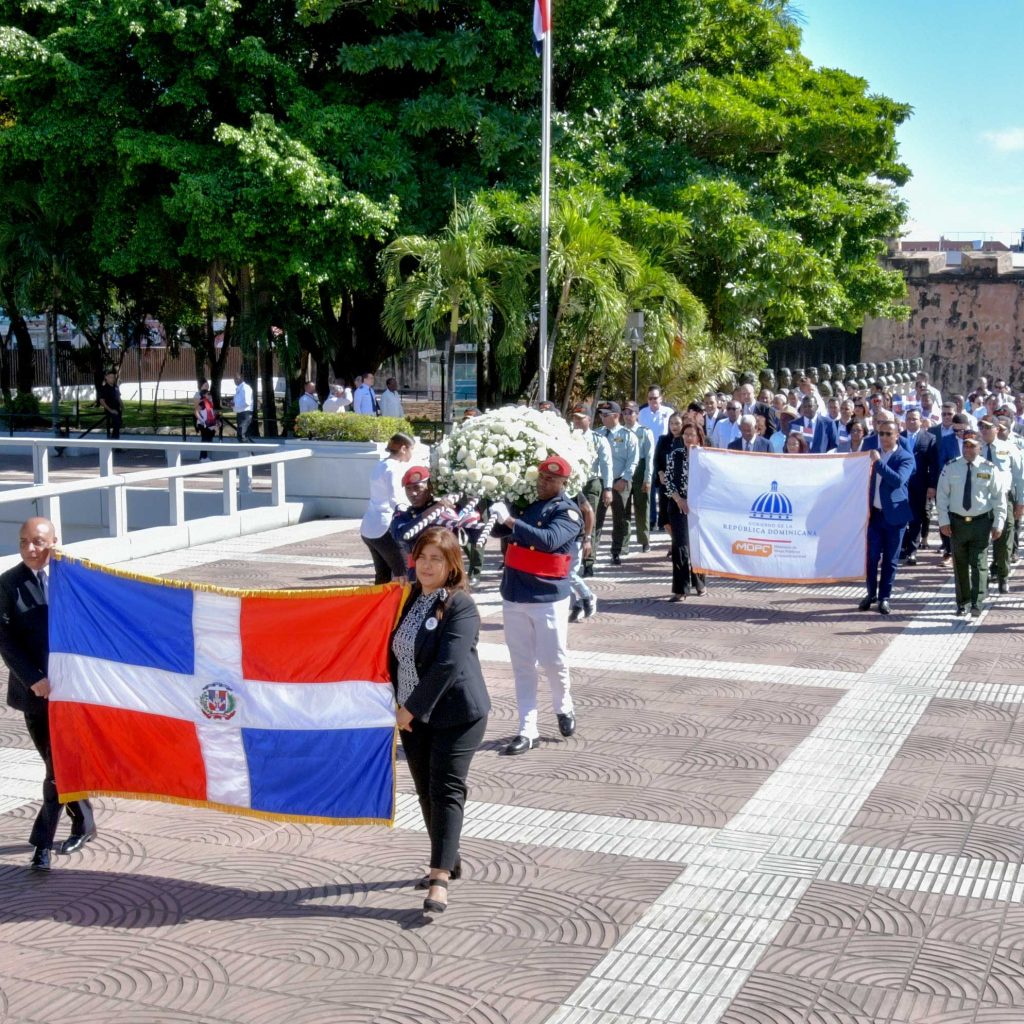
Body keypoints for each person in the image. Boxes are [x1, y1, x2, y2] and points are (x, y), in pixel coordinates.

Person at [389, 527, 490, 914]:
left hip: (456, 714)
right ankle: (451, 858)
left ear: (452, 565)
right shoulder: (408, 598)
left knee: (446, 789)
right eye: (423, 557)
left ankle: (439, 879)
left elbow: (447, 665)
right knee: (427, 793)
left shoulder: (461, 605)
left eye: (437, 559)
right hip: (413, 716)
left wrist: (409, 708)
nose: (428, 566)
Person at [0, 518, 96, 871]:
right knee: (56, 765)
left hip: (73, 692)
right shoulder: (8, 584)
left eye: (38, 542)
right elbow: (5, 640)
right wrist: (33, 678)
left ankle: (41, 843)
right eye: (23, 541)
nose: (30, 549)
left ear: (55, 541)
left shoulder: (76, 578)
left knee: (56, 771)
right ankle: (84, 821)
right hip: (36, 695)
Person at [490, 456, 581, 754]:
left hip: (546, 597)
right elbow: (497, 531)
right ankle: (527, 728)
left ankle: (563, 704)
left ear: (563, 483)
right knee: (522, 666)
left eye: (551, 480)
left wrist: (511, 520)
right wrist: (492, 503)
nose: (544, 483)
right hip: (515, 594)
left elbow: (549, 540)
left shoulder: (568, 513)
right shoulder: (527, 506)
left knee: (553, 660)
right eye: (542, 478)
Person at [936, 432, 1007, 617]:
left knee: (978, 563)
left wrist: (998, 523)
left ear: (980, 448)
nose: (967, 449)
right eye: (965, 445)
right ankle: (963, 602)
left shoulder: (989, 468)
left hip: (981, 523)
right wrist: (943, 521)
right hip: (957, 523)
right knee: (959, 565)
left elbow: (999, 499)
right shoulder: (951, 467)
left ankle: (977, 601)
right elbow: (942, 496)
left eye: (972, 446)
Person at [858, 421, 914, 615]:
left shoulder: (905, 457)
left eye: (888, 433)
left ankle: (884, 598)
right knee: (872, 558)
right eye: (881, 433)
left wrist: (878, 462)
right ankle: (871, 593)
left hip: (895, 517)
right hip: (874, 515)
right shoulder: (872, 454)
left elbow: (898, 480)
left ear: (897, 435)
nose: (883, 437)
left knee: (890, 559)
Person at [360, 432, 414, 584]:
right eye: (411, 449)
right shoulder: (393, 468)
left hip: (370, 527)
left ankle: (380, 607)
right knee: (404, 576)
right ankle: (402, 607)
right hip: (385, 528)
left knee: (382, 577)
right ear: (404, 449)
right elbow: (395, 499)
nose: (412, 453)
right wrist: (409, 516)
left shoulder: (381, 464)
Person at [978, 418, 1024, 593]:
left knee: (1004, 539)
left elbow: (1020, 477)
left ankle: (1003, 576)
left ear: (997, 429)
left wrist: (1021, 502)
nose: (984, 430)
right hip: (981, 499)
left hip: (1005, 498)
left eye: (988, 427)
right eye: (981, 427)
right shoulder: (975, 449)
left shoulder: (1010, 448)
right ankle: (983, 575)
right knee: (980, 539)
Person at [664, 422, 707, 600]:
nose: (689, 438)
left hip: (699, 508)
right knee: (680, 547)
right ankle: (681, 589)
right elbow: (668, 479)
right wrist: (679, 499)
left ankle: (700, 583)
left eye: (692, 434)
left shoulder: (705, 457)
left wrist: (695, 501)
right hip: (678, 505)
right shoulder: (676, 455)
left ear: (699, 437)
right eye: (686, 434)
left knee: (697, 547)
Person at [570, 403, 611, 578]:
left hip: (591, 482)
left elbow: (606, 465)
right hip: (572, 483)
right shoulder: (567, 437)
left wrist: (608, 488)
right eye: (574, 418)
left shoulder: (598, 439)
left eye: (581, 419)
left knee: (589, 520)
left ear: (589, 419)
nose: (577, 422)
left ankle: (589, 562)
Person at [595, 402, 638, 566]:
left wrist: (625, 479)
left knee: (619, 519)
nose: (602, 418)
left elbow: (632, 461)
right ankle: (591, 554)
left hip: (620, 481)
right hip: (601, 482)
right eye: (601, 415)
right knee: (596, 519)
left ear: (616, 416)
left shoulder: (628, 435)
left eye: (605, 415)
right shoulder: (598, 434)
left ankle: (616, 552)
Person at [900, 408, 937, 565]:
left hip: (920, 484)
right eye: (908, 419)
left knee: (916, 518)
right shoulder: (899, 437)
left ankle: (912, 551)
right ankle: (902, 547)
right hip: (901, 484)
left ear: (920, 421)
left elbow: (934, 464)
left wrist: (931, 485)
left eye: (914, 419)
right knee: (901, 517)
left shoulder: (929, 438)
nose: (911, 421)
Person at [621, 401, 655, 554]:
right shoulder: (620, 432)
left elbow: (649, 457)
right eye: (625, 413)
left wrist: (648, 478)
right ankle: (623, 543)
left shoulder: (644, 431)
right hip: (625, 470)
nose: (628, 416)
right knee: (623, 508)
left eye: (631, 413)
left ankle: (644, 540)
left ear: (637, 414)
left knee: (642, 507)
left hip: (640, 470)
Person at [638, 386, 673, 528]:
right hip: (648, 454)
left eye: (655, 398)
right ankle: (651, 520)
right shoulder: (642, 413)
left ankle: (664, 521)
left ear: (661, 398)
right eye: (650, 398)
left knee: (665, 489)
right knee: (650, 489)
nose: (653, 401)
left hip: (665, 454)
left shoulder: (669, 412)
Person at [654, 413, 685, 529]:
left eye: (677, 423)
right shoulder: (663, 440)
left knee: (678, 515)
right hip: (665, 483)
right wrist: (660, 472)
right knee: (664, 518)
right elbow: (656, 459)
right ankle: (674, 543)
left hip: (680, 485)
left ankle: (678, 544)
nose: (674, 426)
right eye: (671, 423)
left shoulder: (684, 441)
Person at [193, 385, 218, 460]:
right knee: (205, 439)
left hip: (209, 424)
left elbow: (211, 414)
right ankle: (202, 457)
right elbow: (196, 412)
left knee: (207, 439)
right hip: (203, 424)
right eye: (208, 394)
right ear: (204, 395)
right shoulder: (202, 403)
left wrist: (216, 420)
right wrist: (202, 420)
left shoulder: (209, 403)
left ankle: (204, 457)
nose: (210, 395)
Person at [98, 369, 123, 440]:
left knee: (118, 426)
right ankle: (114, 444)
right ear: (106, 377)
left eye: (113, 377)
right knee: (116, 425)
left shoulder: (115, 387)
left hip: (117, 409)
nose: (112, 379)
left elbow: (118, 397)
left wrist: (122, 406)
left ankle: (114, 443)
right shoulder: (104, 388)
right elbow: (101, 401)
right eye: (111, 377)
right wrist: (111, 410)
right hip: (110, 410)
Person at [233, 373, 255, 440]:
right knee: (240, 435)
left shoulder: (246, 388)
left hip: (245, 414)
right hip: (240, 413)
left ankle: (249, 449)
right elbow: (239, 401)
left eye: (237, 378)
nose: (235, 380)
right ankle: (247, 449)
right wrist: (232, 403)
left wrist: (235, 405)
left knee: (242, 435)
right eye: (234, 379)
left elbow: (247, 402)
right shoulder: (239, 389)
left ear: (242, 379)